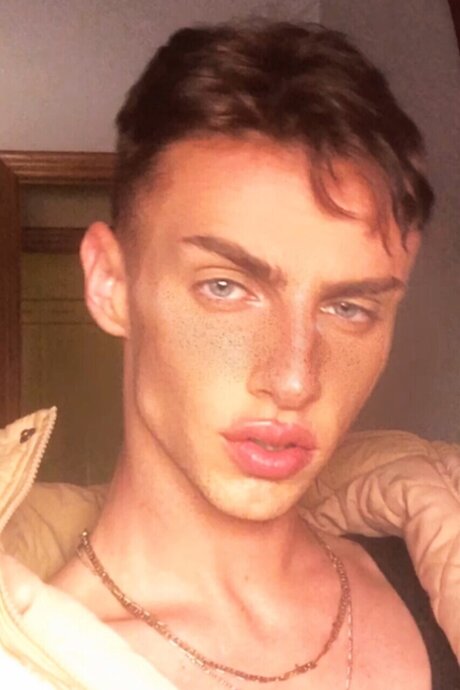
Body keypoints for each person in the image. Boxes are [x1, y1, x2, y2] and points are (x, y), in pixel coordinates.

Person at [0, 20, 458, 690]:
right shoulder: (26, 667)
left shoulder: (431, 577)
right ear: (110, 283)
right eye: (226, 287)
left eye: (349, 307)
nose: (294, 379)